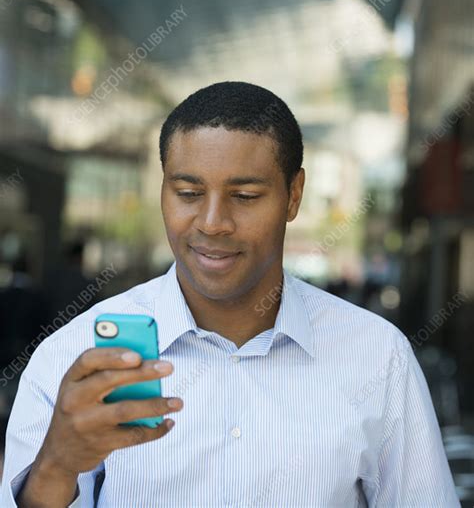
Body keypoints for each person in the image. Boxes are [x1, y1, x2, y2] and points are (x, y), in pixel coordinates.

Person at [1, 81, 460, 507]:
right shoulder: (73, 357)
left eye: (244, 196)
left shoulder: (378, 358)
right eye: (188, 192)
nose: (212, 222)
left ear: (293, 195)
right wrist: (58, 464)